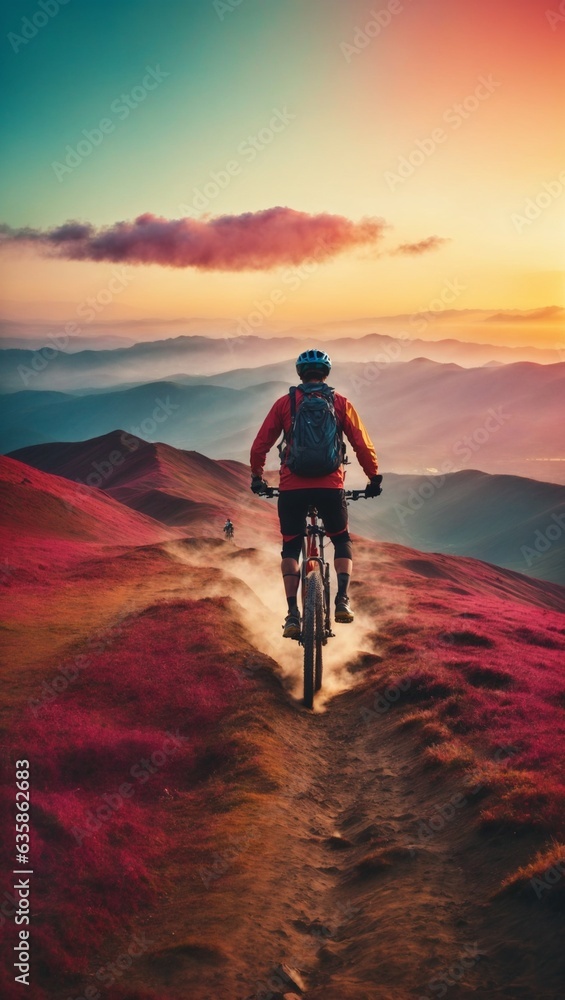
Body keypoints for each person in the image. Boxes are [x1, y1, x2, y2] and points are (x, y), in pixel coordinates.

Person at [250, 348, 381, 639]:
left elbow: (260, 445)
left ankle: (293, 615)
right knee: (341, 539)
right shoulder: (340, 403)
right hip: (330, 487)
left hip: (292, 489)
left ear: (300, 374)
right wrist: (373, 478)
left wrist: (257, 477)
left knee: (290, 547)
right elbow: (362, 445)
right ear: (326, 374)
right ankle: (342, 600)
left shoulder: (285, 404)